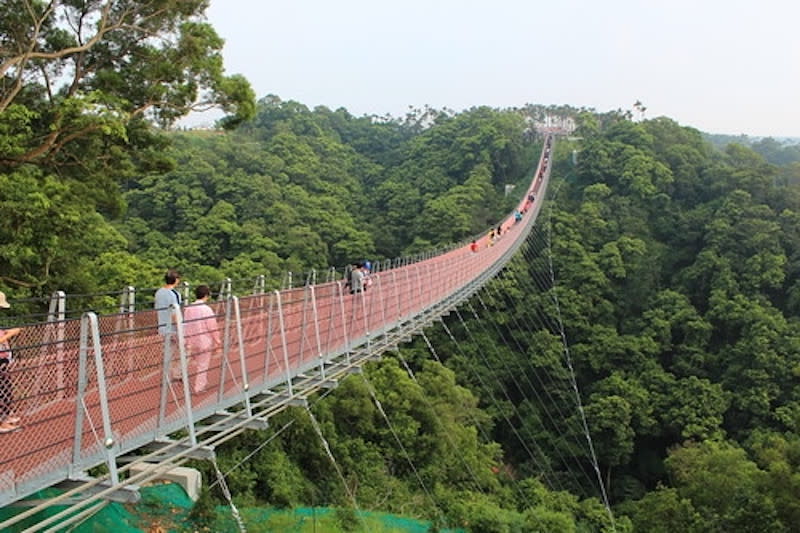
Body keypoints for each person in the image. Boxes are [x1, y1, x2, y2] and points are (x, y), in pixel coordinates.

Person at [182, 285, 220, 394]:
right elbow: (212, 326)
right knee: (203, 364)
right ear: (207, 295)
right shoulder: (206, 309)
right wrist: (217, 341)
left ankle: (199, 382)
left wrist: (187, 340)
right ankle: (199, 387)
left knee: (192, 362)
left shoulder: (188, 308)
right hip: (204, 341)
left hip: (191, 340)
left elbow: (186, 325)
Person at [154, 269, 182, 380]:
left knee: (167, 353)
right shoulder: (175, 294)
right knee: (186, 349)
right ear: (176, 280)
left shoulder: (158, 292)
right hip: (173, 328)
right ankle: (177, 373)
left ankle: (167, 375)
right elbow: (175, 313)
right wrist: (180, 328)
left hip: (162, 326)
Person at [0, 291, 22, 433]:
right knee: (1, 392)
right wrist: (11, 334)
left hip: (3, 360)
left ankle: (5, 417)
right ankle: (1, 423)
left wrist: (7, 331)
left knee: (6, 390)